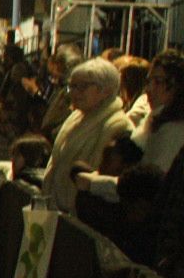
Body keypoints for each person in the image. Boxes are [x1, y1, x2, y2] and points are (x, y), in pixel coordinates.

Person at [77, 48, 184, 203]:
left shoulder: (174, 130)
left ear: (177, 85)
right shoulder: (155, 119)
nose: (149, 89)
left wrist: (94, 184)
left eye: (158, 82)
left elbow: (147, 189)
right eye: (149, 81)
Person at [43, 57, 133, 213]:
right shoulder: (75, 117)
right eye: (72, 86)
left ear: (106, 90)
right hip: (55, 209)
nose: (75, 93)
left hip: (79, 215)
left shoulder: (117, 125)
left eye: (83, 87)